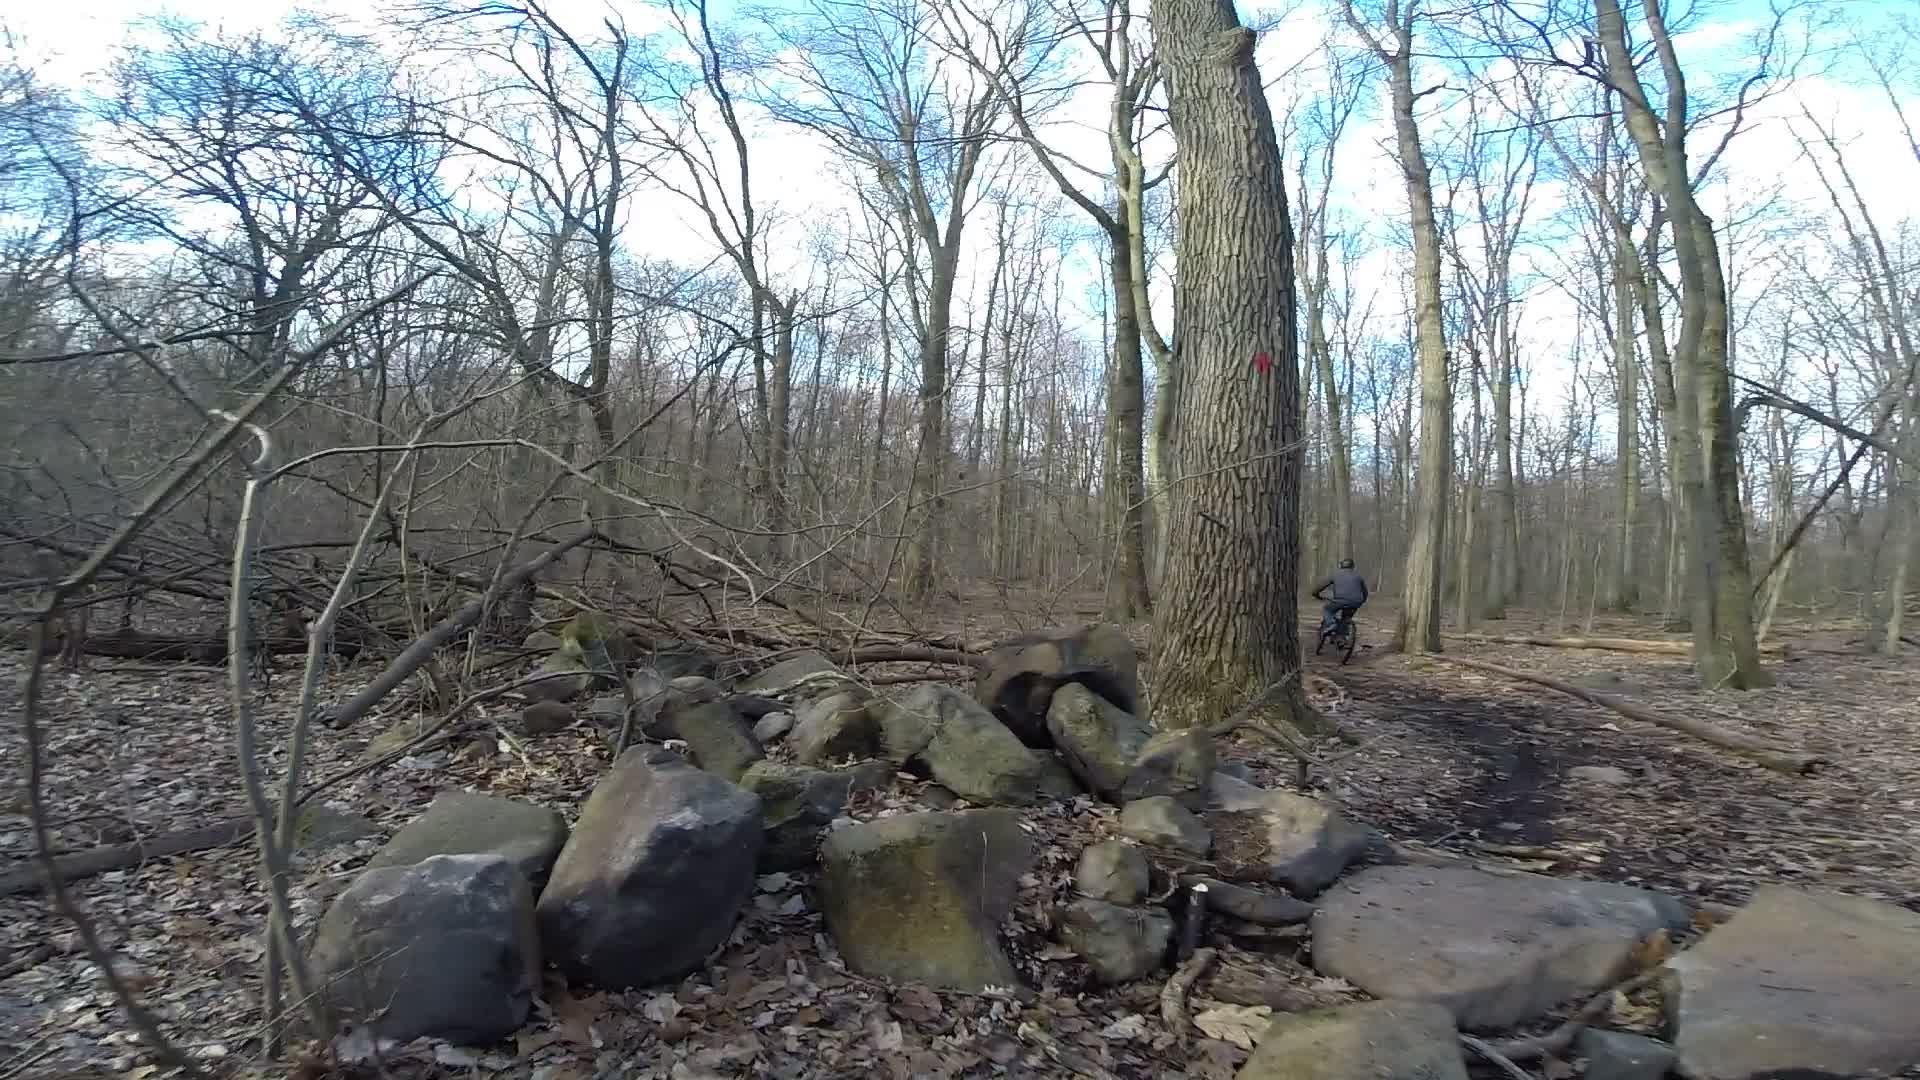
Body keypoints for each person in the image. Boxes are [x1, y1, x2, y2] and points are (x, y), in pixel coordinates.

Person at [1310, 558, 1369, 636]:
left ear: (1341, 566)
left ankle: (1331, 624)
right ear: (1353, 566)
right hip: (1356, 602)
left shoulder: (1335, 574)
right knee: (1345, 618)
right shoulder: (1358, 576)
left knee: (1327, 609)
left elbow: (1321, 586)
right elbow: (1365, 592)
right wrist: (1362, 601)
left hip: (1340, 601)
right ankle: (1341, 638)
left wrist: (1315, 594)